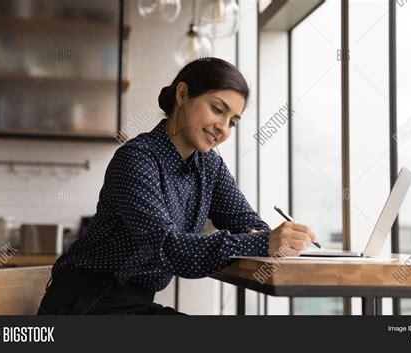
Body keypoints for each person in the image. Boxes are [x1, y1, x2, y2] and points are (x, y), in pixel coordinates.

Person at [37, 57, 317, 315]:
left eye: (232, 122)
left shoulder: (210, 166)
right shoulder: (136, 159)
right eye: (217, 109)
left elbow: (245, 221)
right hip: (83, 304)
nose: (223, 128)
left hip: (134, 304)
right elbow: (167, 247)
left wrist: (270, 237)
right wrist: (264, 241)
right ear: (182, 95)